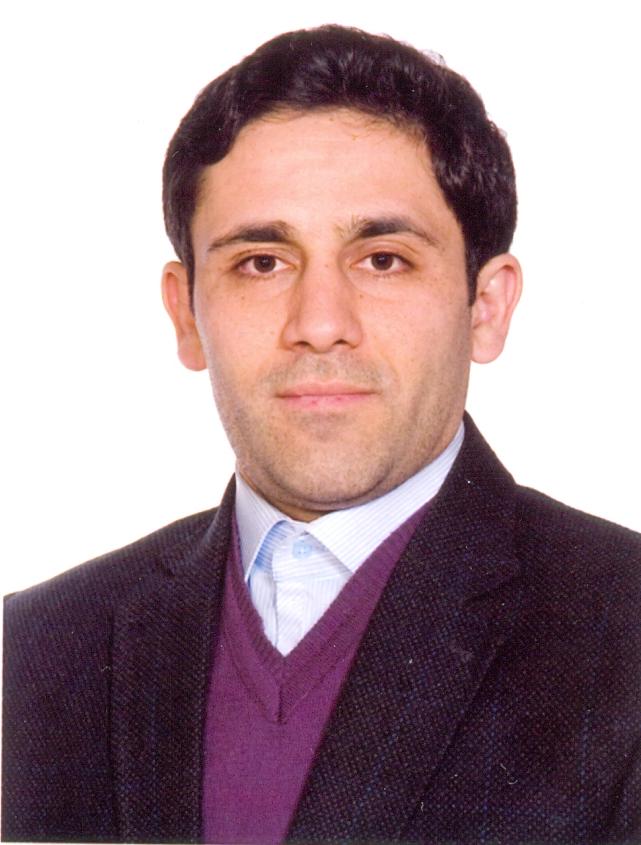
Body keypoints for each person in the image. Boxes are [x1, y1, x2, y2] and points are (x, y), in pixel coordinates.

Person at [3, 24, 639, 845]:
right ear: (185, 313)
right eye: (261, 262)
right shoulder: (34, 651)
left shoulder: (623, 634)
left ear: (486, 306)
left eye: (382, 259)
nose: (319, 322)